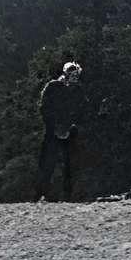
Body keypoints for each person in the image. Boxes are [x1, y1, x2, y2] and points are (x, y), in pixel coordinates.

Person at [37, 61, 84, 201]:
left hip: (70, 131)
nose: (74, 77)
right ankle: (42, 194)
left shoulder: (78, 90)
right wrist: (53, 126)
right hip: (52, 130)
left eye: (76, 74)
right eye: (71, 73)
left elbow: (80, 110)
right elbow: (44, 108)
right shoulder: (52, 87)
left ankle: (68, 196)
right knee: (47, 163)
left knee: (70, 164)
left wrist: (73, 125)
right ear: (65, 73)